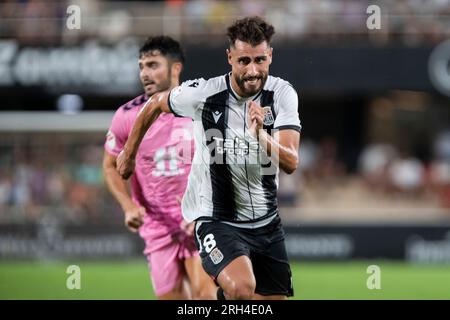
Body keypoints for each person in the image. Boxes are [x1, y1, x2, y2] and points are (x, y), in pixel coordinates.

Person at [117, 17, 301, 300]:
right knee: (241, 289)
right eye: (244, 61)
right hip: (216, 220)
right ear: (230, 57)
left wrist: (261, 135)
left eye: (260, 60)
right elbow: (154, 104)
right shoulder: (204, 94)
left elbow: (290, 162)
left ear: (271, 56)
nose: (253, 70)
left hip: (267, 223)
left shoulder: (282, 94)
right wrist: (128, 153)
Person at [102, 36, 216, 300]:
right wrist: (127, 205)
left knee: (207, 297)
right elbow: (109, 166)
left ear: (175, 68)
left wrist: (207, 209)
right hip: (158, 229)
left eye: (153, 65)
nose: (145, 73)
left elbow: (224, 165)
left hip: (200, 224)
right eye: (142, 66)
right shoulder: (127, 116)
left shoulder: (201, 107)